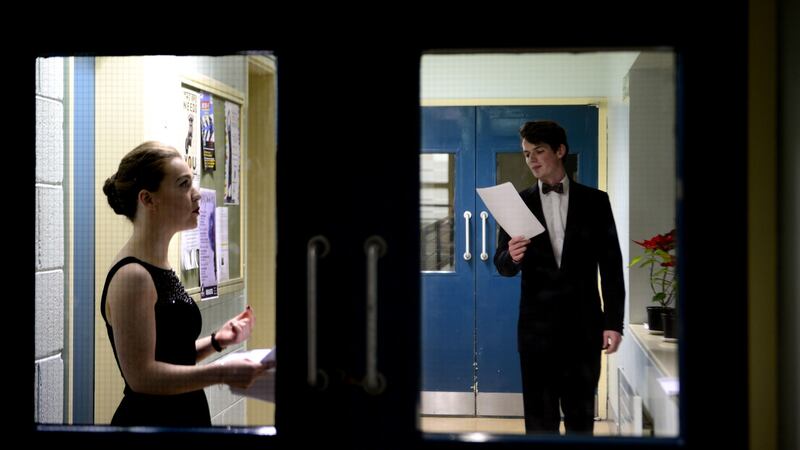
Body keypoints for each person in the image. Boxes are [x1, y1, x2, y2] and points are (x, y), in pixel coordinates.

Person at [101, 141, 272, 426]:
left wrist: (217, 341)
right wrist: (222, 372)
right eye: (182, 185)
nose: (197, 195)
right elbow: (143, 377)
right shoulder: (133, 276)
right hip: (152, 424)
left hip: (181, 417)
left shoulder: (158, 265)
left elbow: (170, 354)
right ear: (148, 199)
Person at [493, 120, 625, 435]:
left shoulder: (596, 201)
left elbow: (611, 266)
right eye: (526, 154)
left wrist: (613, 322)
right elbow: (503, 266)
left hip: (584, 329)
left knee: (580, 419)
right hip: (535, 332)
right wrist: (511, 254)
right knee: (539, 421)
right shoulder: (517, 204)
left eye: (539, 151)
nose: (532, 160)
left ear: (560, 150)